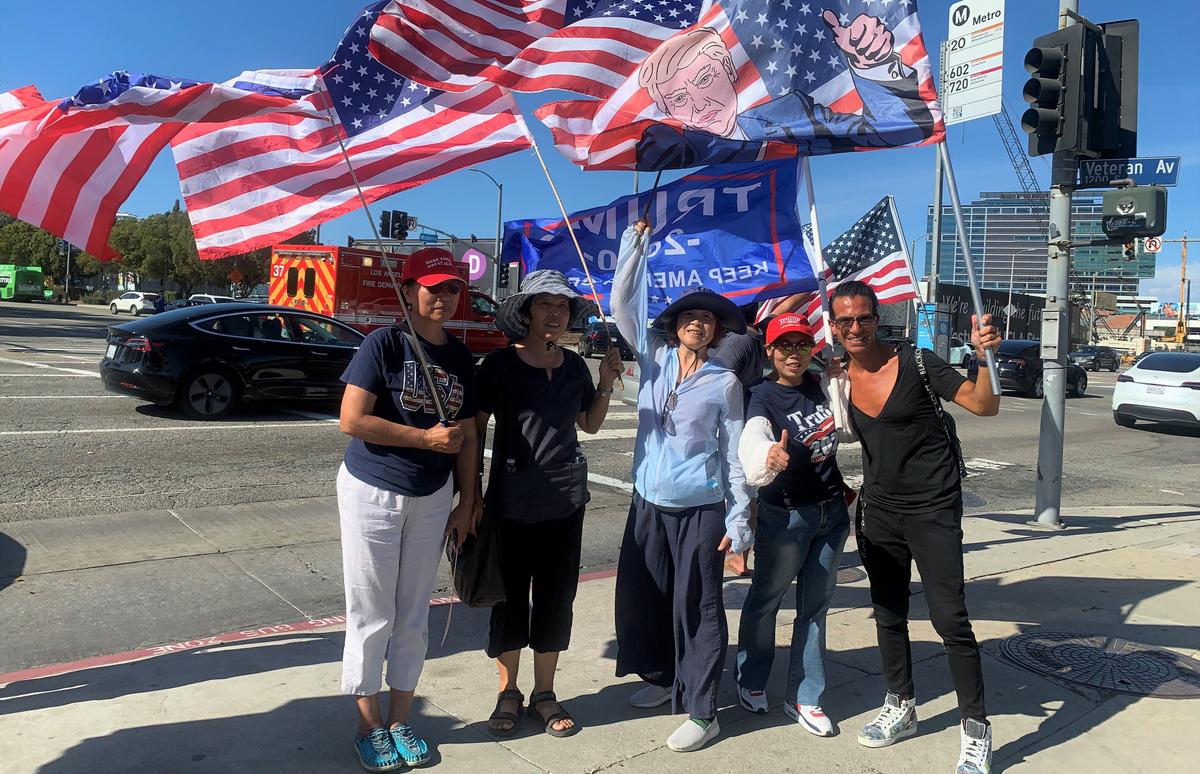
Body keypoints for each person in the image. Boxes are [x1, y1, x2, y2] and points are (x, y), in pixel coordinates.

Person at [829, 281, 1000, 774]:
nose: (856, 328)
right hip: (879, 510)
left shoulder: (918, 362)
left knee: (950, 620)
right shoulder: (838, 377)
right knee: (888, 613)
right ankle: (901, 705)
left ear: (877, 318)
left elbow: (984, 405)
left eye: (863, 318)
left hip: (932, 509)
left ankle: (976, 728)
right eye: (845, 321)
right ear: (834, 326)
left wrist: (984, 357)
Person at [336, 248, 480, 773]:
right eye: (433, 287)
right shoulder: (385, 343)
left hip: (433, 495)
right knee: (371, 612)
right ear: (409, 290)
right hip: (373, 490)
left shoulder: (460, 356)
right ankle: (368, 726)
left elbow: (467, 436)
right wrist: (423, 438)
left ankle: (399, 720)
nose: (443, 297)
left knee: (413, 615)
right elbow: (351, 420)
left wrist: (469, 499)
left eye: (452, 288)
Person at [611, 220, 752, 753]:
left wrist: (739, 519)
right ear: (674, 325)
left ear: (716, 332)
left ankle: (703, 709)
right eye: (690, 316)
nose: (699, 322)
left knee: (699, 606)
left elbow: (734, 455)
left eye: (708, 319)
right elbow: (623, 304)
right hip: (649, 503)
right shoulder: (654, 358)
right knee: (647, 595)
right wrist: (634, 246)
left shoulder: (724, 382)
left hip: (700, 509)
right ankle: (665, 677)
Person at [474, 270, 623, 739]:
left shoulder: (575, 365)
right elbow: (474, 431)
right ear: (526, 312)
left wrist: (605, 382)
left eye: (562, 306)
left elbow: (590, 424)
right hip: (511, 503)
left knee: (557, 600)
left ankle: (544, 692)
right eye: (544, 304)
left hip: (565, 502)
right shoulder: (500, 365)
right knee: (510, 601)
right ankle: (508, 692)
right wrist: (470, 495)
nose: (555, 314)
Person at [735, 312, 849, 738]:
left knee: (815, 607)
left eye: (802, 344)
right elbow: (753, 435)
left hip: (831, 513)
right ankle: (750, 676)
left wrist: (838, 382)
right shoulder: (761, 395)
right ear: (770, 351)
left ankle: (805, 696)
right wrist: (766, 456)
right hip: (786, 515)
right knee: (766, 599)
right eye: (784, 345)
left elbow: (848, 429)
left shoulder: (820, 385)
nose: (794, 353)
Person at [633, 13, 935, 170]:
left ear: (729, 68)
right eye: (679, 98)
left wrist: (873, 65)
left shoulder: (790, 112)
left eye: (703, 79)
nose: (700, 104)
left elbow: (902, 128)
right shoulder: (672, 149)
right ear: (667, 110)